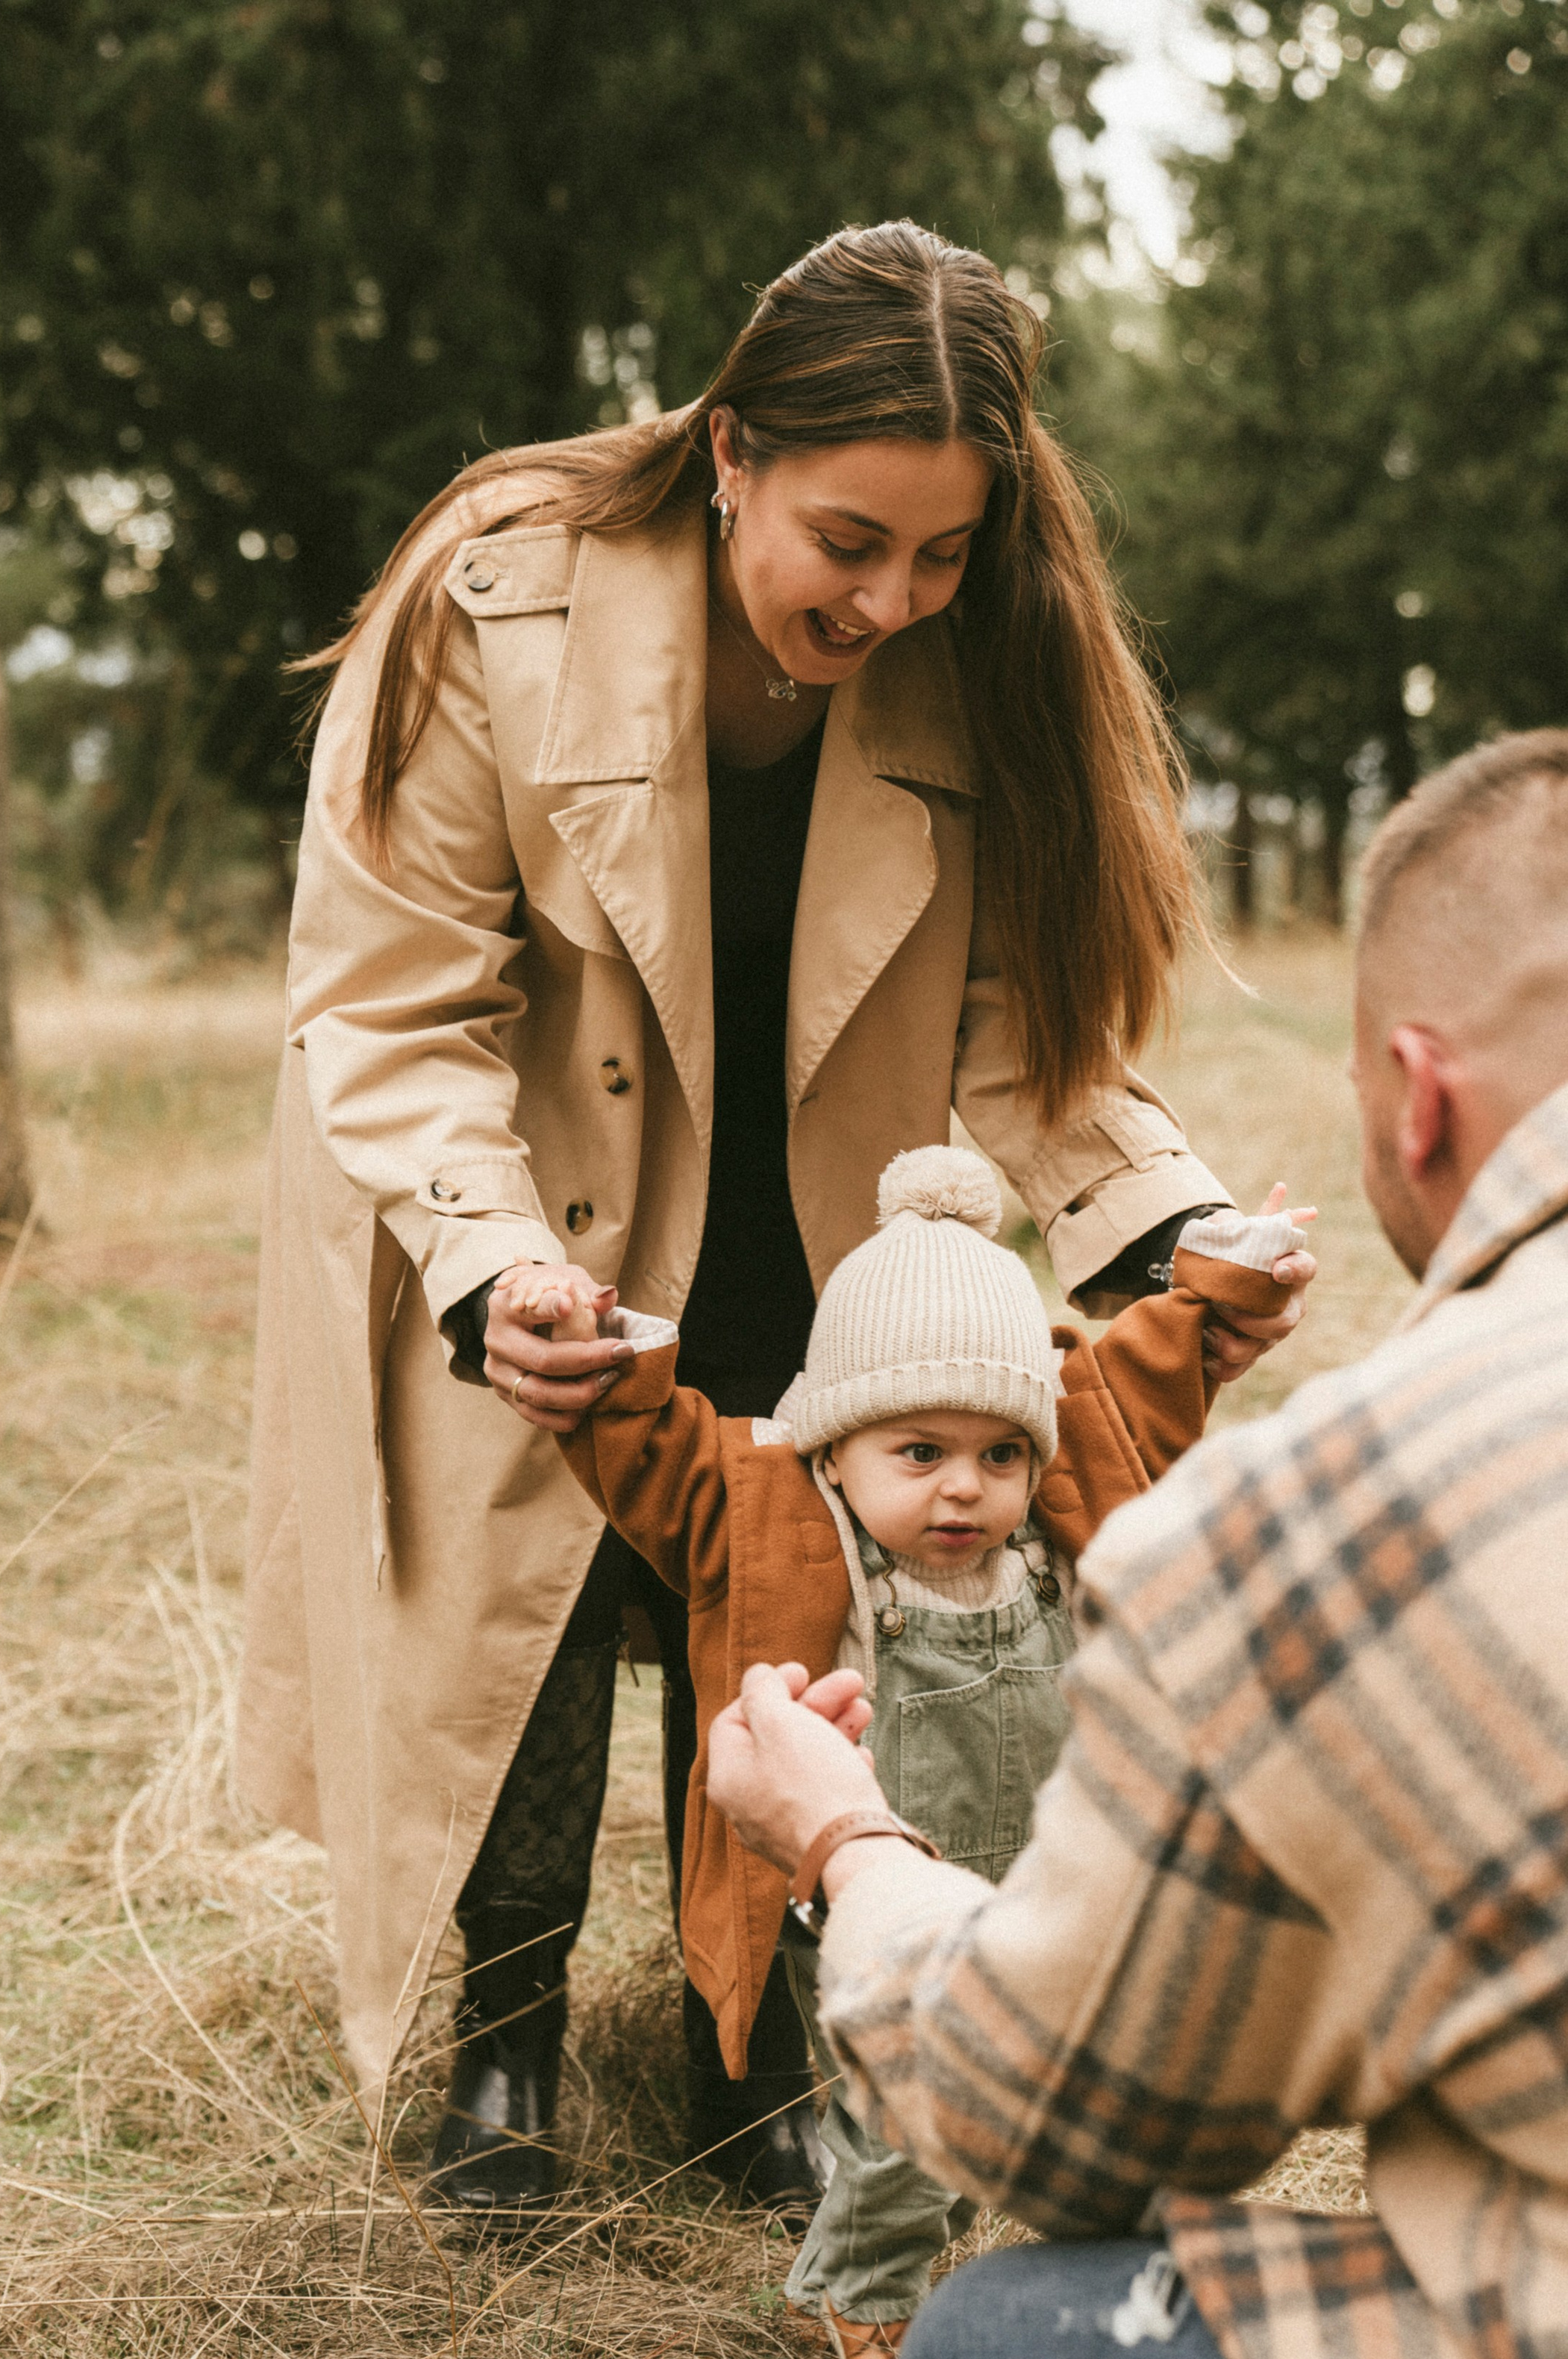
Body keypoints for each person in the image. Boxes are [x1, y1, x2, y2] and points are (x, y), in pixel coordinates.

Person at [238, 218, 1306, 2224]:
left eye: (940, 555)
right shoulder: (496, 595)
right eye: (847, 541)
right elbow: (393, 1002)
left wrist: (1166, 1232)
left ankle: (751, 2049)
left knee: (784, 1613)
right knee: (528, 1624)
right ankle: (509, 2045)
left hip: (808, 1239)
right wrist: (492, 1266)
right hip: (516, 1212)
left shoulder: (977, 672)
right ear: (728, 449)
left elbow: (1024, 1032)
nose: (892, 599)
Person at [701, 731, 1568, 2359]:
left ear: (1414, 1091)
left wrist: (845, 1843)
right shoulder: (844, 1516)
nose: (976, 1492)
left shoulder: (1348, 1519)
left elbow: (1067, 2128)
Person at [502, 1148, 1310, 2359]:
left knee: (1115, 2086)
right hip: (874, 1888)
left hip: (1056, 1877)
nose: (963, 1489)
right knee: (901, 2123)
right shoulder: (766, 1509)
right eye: (919, 1452)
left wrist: (1228, 1278)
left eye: (999, 1455)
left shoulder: (1057, 1501)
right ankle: (862, 2293)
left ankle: (1117, 2289)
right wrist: (592, 1339)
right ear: (838, 1445)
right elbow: (643, 1446)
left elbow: (1145, 1372)